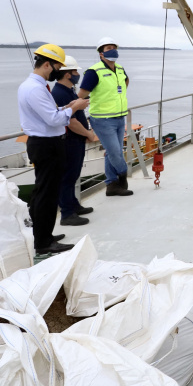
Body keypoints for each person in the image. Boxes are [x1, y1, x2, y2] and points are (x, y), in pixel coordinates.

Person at [17, 44, 89, 255]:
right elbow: (52, 119)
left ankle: (44, 234)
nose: (57, 72)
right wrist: (74, 108)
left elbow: (52, 112)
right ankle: (43, 243)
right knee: (47, 195)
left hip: (45, 143)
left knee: (44, 192)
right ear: (47, 64)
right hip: (46, 145)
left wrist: (68, 106)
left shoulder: (33, 86)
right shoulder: (35, 89)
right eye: (57, 67)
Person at [78, 37, 133, 197]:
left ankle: (111, 185)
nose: (112, 50)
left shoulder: (120, 69)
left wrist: (117, 96)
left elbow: (126, 82)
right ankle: (123, 176)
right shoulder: (94, 72)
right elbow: (81, 95)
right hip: (102, 119)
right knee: (115, 153)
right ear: (101, 54)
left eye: (114, 47)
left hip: (119, 117)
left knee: (111, 152)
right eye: (108, 48)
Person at [52, 55, 98, 226]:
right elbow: (71, 122)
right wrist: (88, 134)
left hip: (75, 140)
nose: (78, 75)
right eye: (75, 72)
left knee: (73, 175)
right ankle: (67, 213)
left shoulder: (68, 91)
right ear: (67, 74)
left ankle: (73, 205)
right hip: (69, 140)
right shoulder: (59, 93)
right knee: (68, 176)